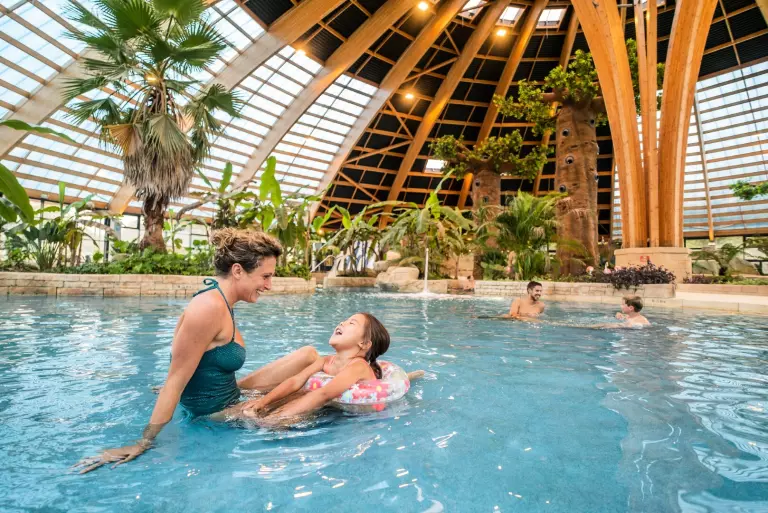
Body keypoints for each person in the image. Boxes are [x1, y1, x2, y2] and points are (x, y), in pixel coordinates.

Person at [75, 228, 283, 474]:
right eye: (265, 276)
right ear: (237, 271)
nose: (269, 285)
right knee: (314, 405)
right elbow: (175, 381)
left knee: (309, 359)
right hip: (218, 415)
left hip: (230, 399)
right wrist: (144, 442)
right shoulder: (208, 308)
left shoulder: (221, 302)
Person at [227, 312, 395, 423]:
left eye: (352, 323)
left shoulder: (358, 366)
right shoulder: (326, 361)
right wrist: (262, 402)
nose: (342, 323)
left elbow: (323, 394)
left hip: (358, 418)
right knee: (292, 395)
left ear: (364, 343)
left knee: (290, 411)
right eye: (344, 320)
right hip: (331, 407)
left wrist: (278, 417)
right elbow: (295, 381)